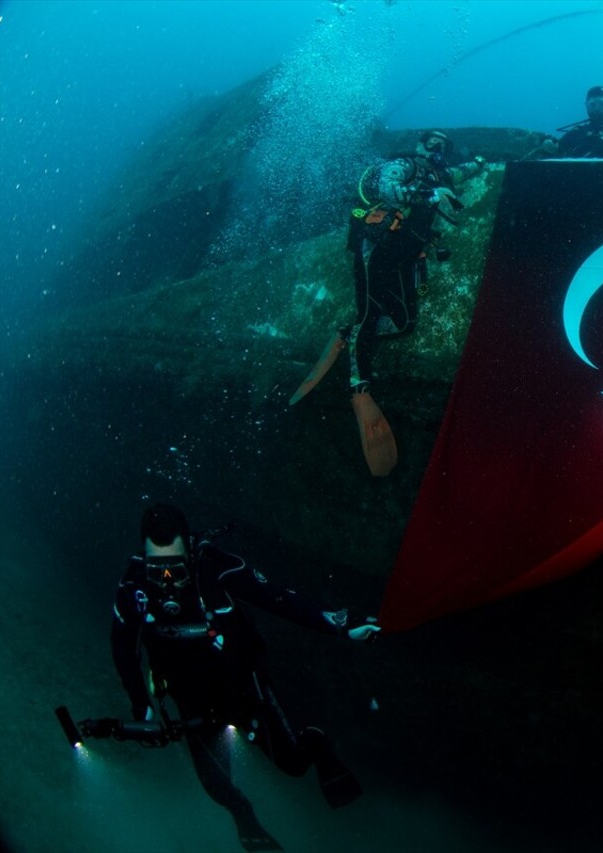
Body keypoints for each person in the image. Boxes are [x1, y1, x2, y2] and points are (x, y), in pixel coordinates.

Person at [111, 504, 381, 851]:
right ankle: (244, 816)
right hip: (190, 699)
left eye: (174, 567)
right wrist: (140, 704)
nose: (166, 580)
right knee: (217, 787)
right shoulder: (133, 584)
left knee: (294, 764)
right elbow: (122, 644)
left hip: (242, 686)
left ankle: (316, 743)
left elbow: (280, 599)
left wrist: (342, 625)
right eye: (157, 567)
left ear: (189, 550)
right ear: (143, 555)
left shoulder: (215, 567)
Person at [289, 129, 485, 476]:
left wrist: (481, 162)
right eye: (431, 141)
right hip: (375, 249)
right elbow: (383, 185)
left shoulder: (443, 174)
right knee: (370, 313)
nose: (437, 147)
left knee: (404, 322)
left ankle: (347, 334)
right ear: (420, 145)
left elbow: (464, 170)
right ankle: (359, 390)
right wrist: (425, 192)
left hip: (406, 258)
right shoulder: (404, 165)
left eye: (443, 144)